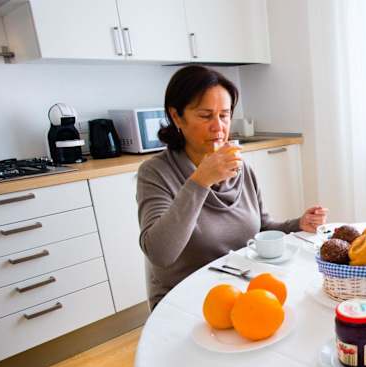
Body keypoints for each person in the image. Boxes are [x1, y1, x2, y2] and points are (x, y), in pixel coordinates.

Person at [138, 65, 327, 309]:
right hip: (185, 301)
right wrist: (200, 181)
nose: (218, 127)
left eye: (224, 115)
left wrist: (298, 224)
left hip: (239, 288)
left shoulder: (240, 167)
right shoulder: (156, 172)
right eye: (206, 116)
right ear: (177, 117)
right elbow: (160, 254)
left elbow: (261, 227)